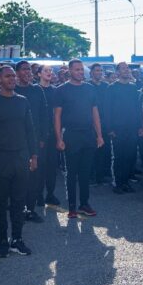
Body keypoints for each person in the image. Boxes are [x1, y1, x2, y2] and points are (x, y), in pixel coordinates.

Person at [0, 66, 37, 258]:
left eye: (13, 75)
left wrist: (33, 155)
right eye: (7, 76)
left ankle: (17, 240)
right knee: (0, 203)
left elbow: (30, 130)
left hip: (20, 157)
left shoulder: (23, 101)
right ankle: (3, 241)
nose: (12, 79)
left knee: (19, 202)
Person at [54, 59, 104, 218]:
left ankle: (84, 204)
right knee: (71, 172)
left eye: (82, 70)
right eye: (77, 70)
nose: (80, 72)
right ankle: (72, 206)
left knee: (85, 172)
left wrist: (99, 135)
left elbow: (95, 113)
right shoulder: (61, 90)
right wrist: (58, 139)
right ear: (69, 71)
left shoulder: (89, 89)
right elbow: (57, 116)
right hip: (71, 135)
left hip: (88, 135)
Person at [14, 61, 48, 223]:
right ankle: (18, 208)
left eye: (29, 69)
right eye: (24, 69)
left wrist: (42, 137)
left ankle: (30, 209)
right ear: (17, 73)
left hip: (34, 140)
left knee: (34, 176)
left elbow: (43, 115)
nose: (28, 72)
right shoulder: (12, 90)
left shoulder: (37, 90)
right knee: (18, 176)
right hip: (15, 141)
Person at [105, 62, 141, 195]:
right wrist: (109, 129)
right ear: (117, 72)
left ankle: (125, 182)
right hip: (117, 129)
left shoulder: (133, 87)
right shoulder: (111, 88)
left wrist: (139, 126)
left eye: (127, 68)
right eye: (123, 68)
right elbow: (107, 110)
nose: (126, 70)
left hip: (132, 128)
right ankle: (118, 183)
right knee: (119, 157)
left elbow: (137, 108)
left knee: (130, 156)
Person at [37, 65, 60, 206]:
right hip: (39, 135)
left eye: (50, 71)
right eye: (45, 70)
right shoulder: (34, 90)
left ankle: (50, 194)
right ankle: (38, 194)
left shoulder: (55, 91)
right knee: (40, 166)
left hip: (53, 133)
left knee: (52, 166)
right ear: (39, 73)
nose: (49, 73)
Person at [89, 63, 111, 185]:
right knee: (92, 150)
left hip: (104, 122)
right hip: (90, 123)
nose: (99, 72)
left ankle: (100, 175)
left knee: (103, 150)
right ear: (91, 72)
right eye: (96, 70)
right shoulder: (87, 86)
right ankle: (90, 176)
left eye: (100, 70)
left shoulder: (106, 86)